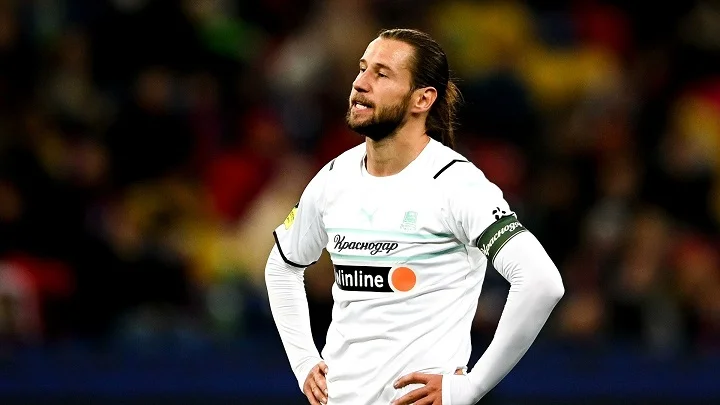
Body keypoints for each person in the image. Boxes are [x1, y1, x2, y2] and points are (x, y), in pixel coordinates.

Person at [265, 28, 565, 405]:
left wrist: (472, 386)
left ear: (422, 99)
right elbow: (282, 266)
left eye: (382, 74)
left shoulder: (456, 184)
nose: (360, 83)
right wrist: (304, 360)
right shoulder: (334, 178)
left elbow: (541, 282)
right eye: (362, 68)